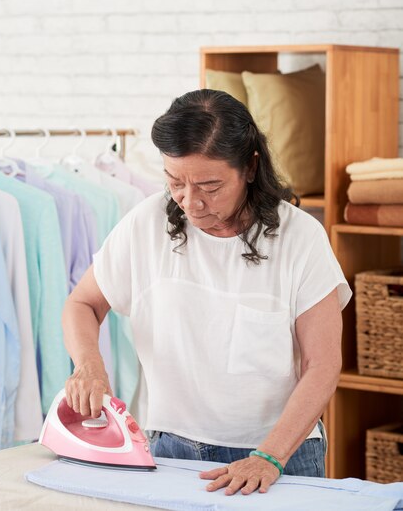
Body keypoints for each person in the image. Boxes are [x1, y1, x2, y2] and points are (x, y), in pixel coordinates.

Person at [63, 89, 352, 496]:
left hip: (281, 454)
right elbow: (83, 303)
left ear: (250, 168)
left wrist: (269, 456)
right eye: (175, 182)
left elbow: (322, 365)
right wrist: (89, 365)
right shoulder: (145, 225)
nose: (191, 203)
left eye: (210, 186)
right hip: (171, 448)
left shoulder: (300, 238)